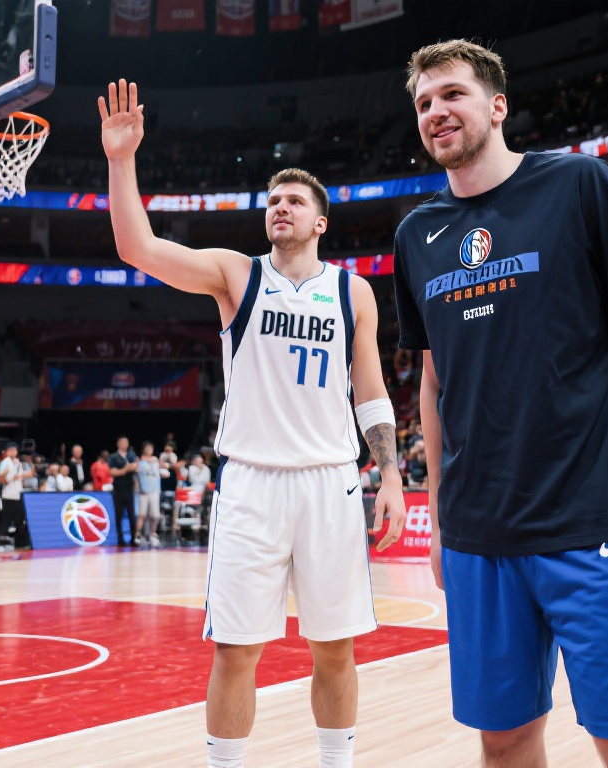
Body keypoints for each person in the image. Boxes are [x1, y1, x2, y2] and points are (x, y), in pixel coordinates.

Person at [394, 40, 608, 768]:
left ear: (498, 105)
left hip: (597, 522)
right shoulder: (415, 236)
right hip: (477, 534)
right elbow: (433, 383)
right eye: (424, 102)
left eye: (453, 94)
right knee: (504, 746)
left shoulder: (579, 184)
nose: (436, 112)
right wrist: (438, 516)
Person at [99, 79, 406, 768]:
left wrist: (390, 475)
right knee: (236, 650)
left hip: (330, 482)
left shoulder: (352, 291)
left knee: (335, 648)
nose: (281, 208)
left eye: (294, 201)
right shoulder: (236, 276)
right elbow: (137, 248)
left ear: (320, 222)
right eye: (273, 201)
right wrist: (122, 161)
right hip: (251, 485)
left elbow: (370, 391)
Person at [108, 436, 140, 548]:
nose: (125, 444)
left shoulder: (131, 455)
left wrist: (124, 469)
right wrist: (126, 469)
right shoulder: (113, 457)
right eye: (123, 442)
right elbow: (113, 472)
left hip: (129, 488)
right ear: (118, 444)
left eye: (126, 442)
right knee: (119, 514)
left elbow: (135, 467)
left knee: (132, 515)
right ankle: (120, 539)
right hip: (118, 489)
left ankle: (133, 538)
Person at [135, 440, 162, 547]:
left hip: (155, 491)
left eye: (151, 448)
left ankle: (152, 535)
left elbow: (163, 468)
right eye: (147, 448)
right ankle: (138, 535)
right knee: (141, 515)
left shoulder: (156, 461)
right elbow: (136, 476)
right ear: (143, 450)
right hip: (143, 492)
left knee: (155, 515)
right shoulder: (139, 461)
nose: (149, 450)